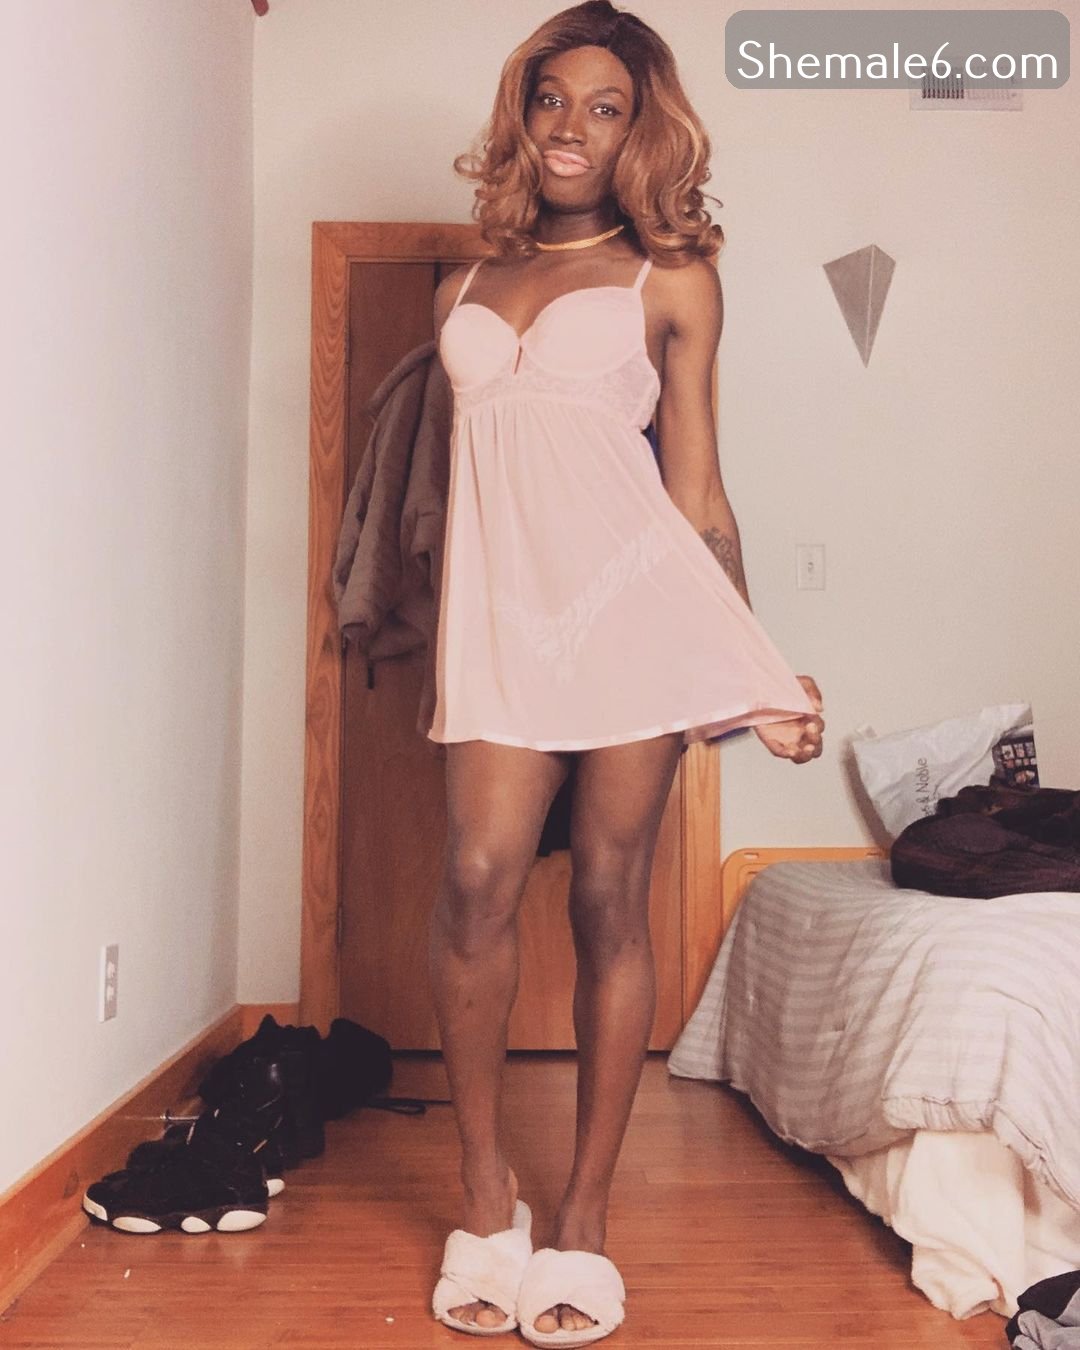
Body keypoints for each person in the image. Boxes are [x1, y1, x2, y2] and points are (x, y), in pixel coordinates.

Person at [427, 2, 825, 1342]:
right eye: (552, 99)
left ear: (639, 131)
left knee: (608, 895)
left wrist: (758, 665)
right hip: (502, 628)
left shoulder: (672, 279)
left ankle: (584, 1217)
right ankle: (485, 1193)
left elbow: (695, 495)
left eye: (605, 108)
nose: (572, 128)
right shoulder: (462, 288)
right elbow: (480, 489)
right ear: (521, 113)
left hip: (627, 624)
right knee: (477, 877)